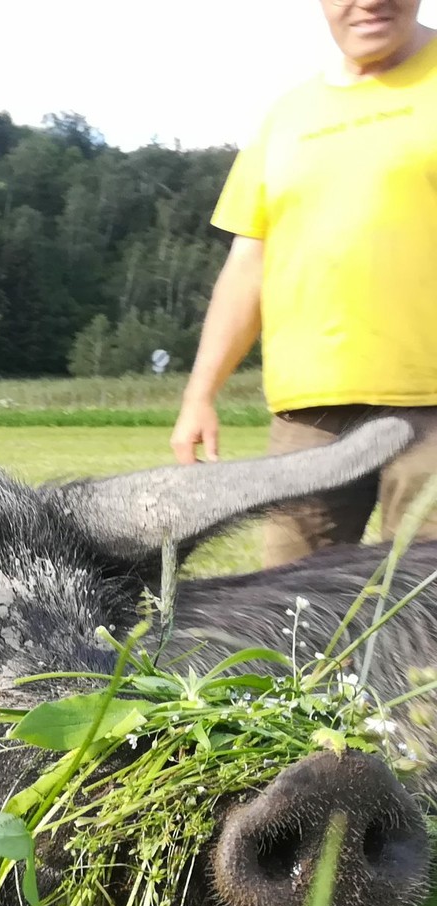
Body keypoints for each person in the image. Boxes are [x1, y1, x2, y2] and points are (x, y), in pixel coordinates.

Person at [170, 0, 437, 567]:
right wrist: (200, 393)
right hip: (309, 415)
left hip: (433, 405)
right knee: (295, 619)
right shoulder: (287, 116)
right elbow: (248, 264)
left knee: (426, 611)